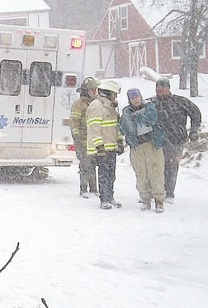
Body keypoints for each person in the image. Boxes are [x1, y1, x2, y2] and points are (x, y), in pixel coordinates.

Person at [150, 78, 201, 204]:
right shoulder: (150, 103)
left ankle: (169, 192)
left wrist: (193, 130)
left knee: (171, 166)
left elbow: (196, 114)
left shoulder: (180, 102)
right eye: (158, 87)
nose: (160, 89)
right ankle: (156, 191)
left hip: (176, 140)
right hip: (157, 141)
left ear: (168, 88)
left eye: (163, 86)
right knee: (155, 167)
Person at [119, 88, 165, 213]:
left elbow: (151, 119)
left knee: (156, 172)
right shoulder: (126, 112)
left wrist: (136, 118)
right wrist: (134, 119)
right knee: (141, 174)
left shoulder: (150, 106)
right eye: (133, 98)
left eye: (137, 97)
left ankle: (159, 200)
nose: (135, 100)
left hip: (152, 144)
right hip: (137, 147)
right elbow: (125, 127)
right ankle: (145, 199)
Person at [86, 80, 125, 210]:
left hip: (111, 147)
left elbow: (115, 127)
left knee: (111, 174)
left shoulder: (110, 106)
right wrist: (99, 146)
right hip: (102, 149)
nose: (116, 97)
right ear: (107, 93)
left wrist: (119, 141)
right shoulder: (96, 106)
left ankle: (110, 196)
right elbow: (94, 128)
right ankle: (104, 199)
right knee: (103, 173)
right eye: (114, 94)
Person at [69, 77, 100, 198]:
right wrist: (77, 136)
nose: (95, 92)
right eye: (92, 89)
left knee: (93, 164)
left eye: (96, 89)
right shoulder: (79, 104)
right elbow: (74, 121)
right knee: (85, 164)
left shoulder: (96, 103)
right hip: (82, 140)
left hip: (94, 139)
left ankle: (93, 189)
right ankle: (83, 189)